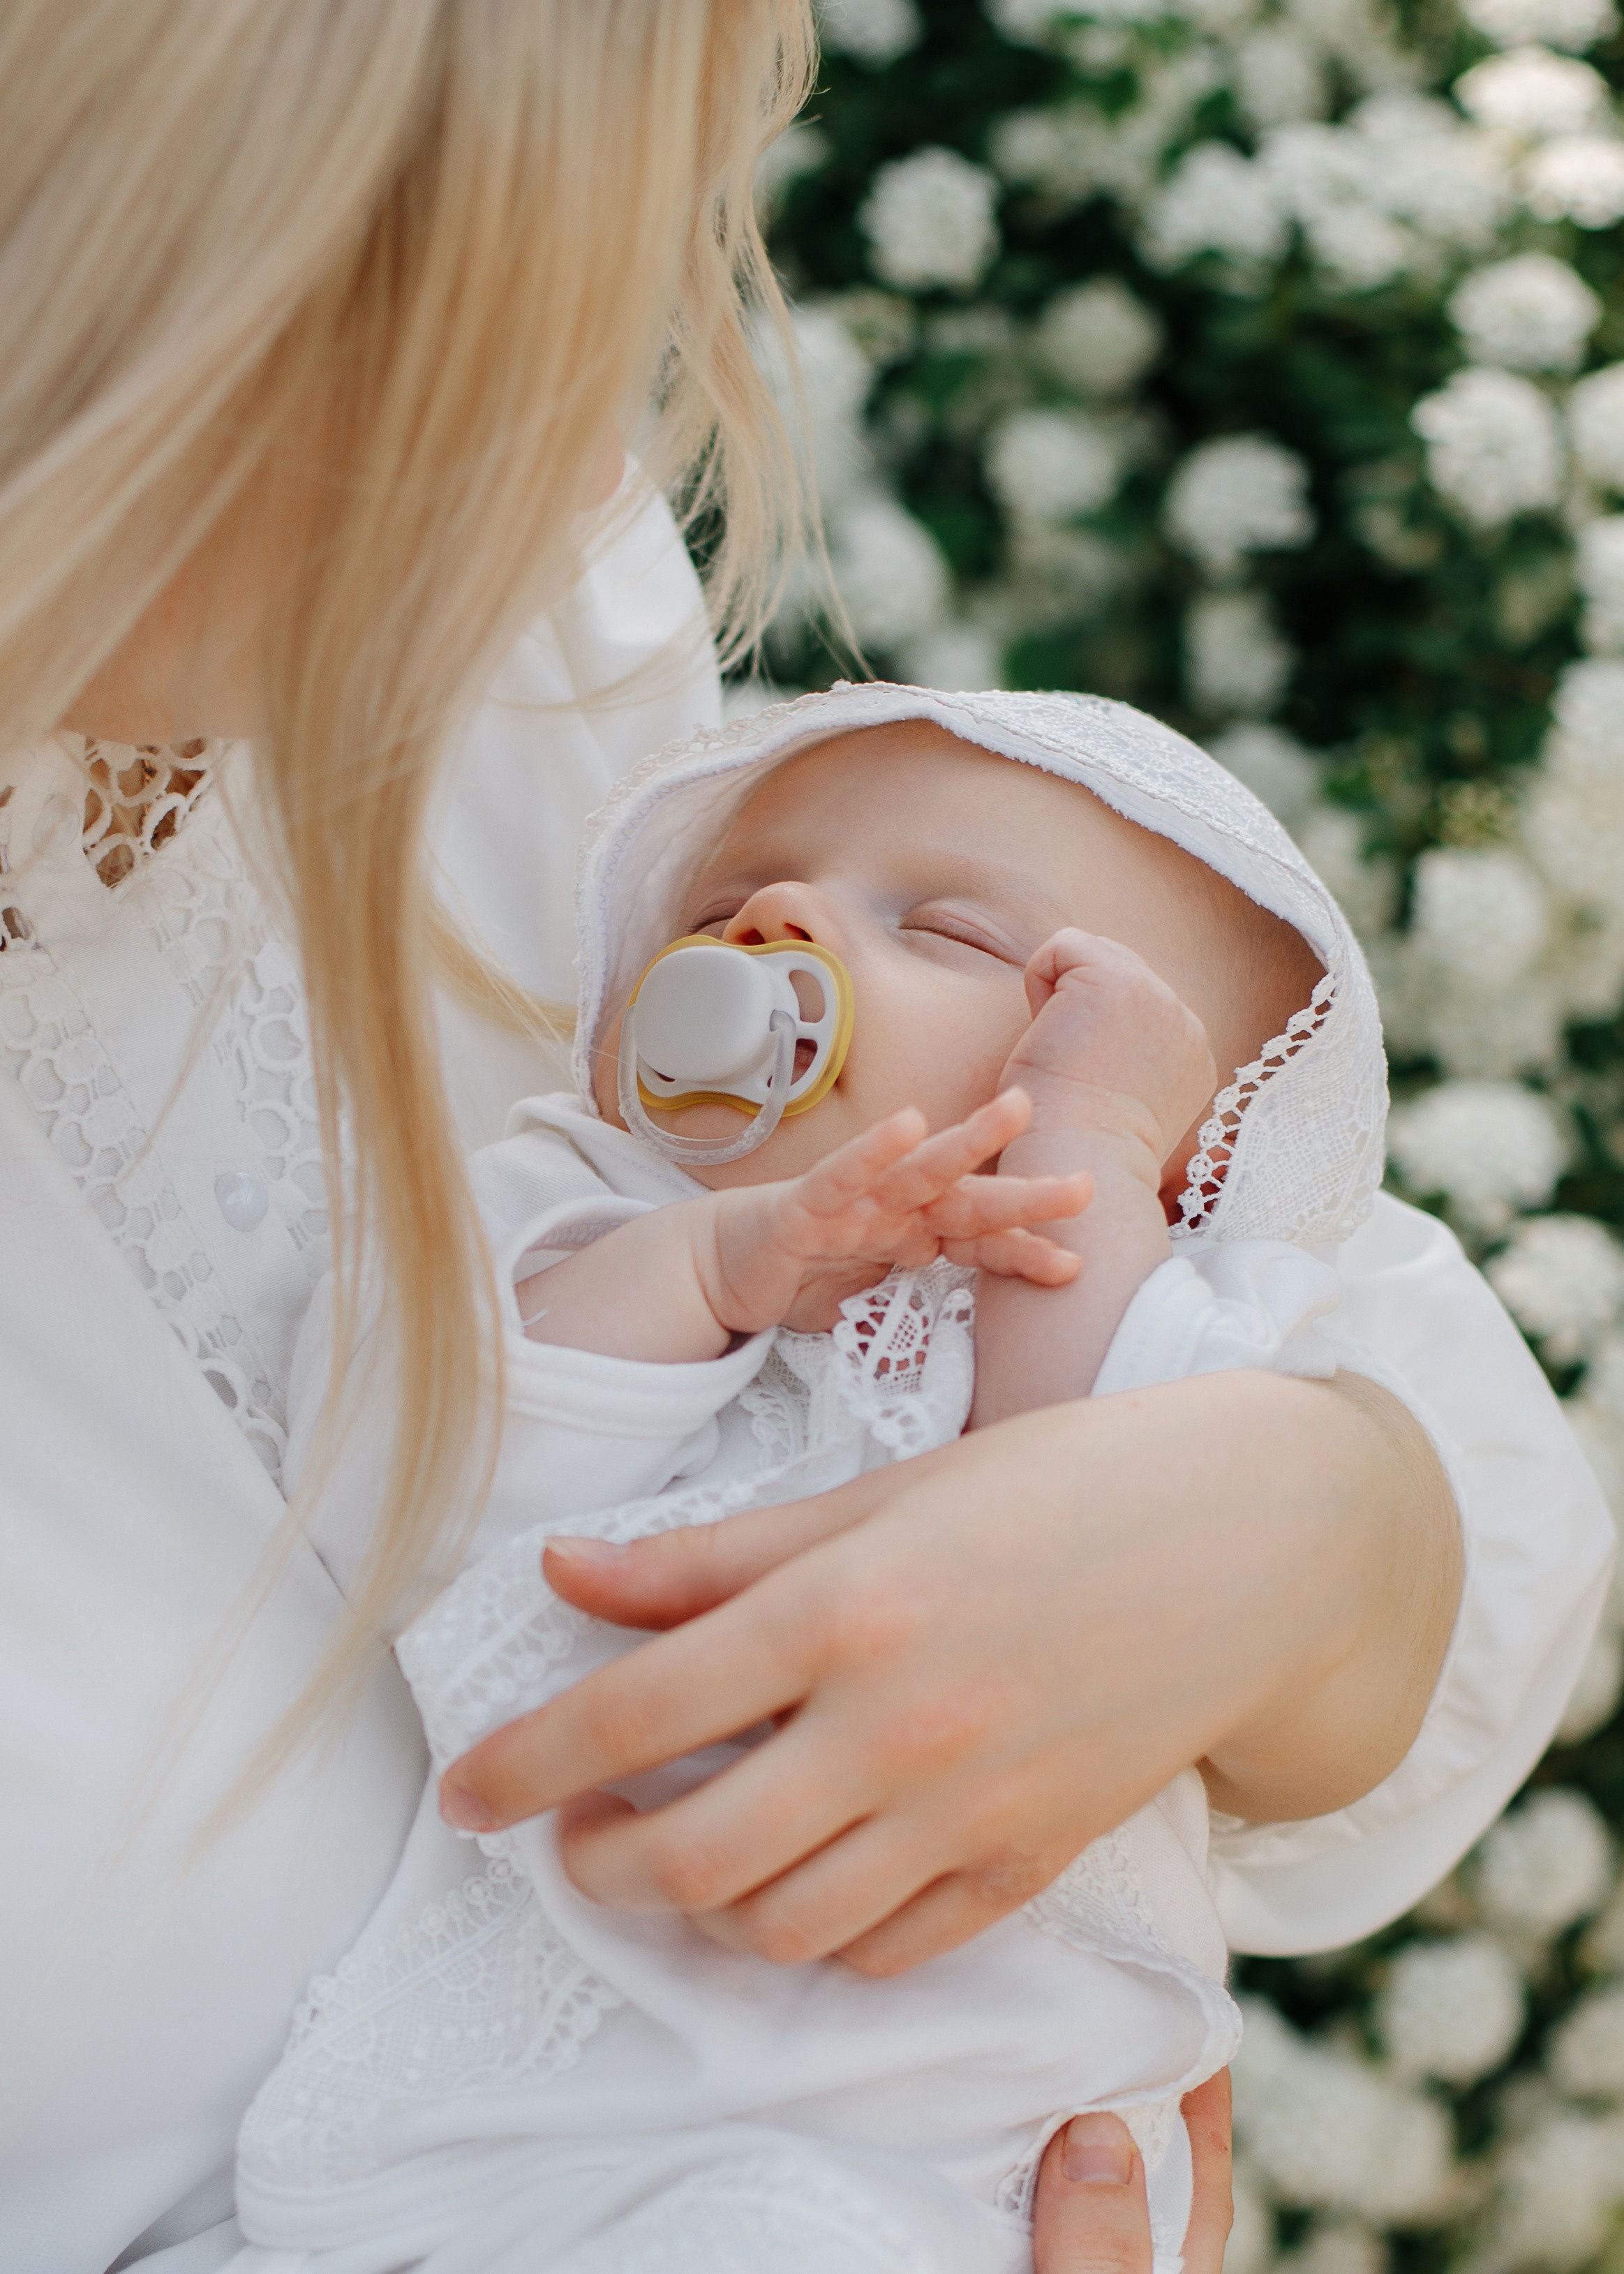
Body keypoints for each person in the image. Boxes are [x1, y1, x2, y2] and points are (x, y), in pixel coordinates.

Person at [0, 8, 1608, 2271]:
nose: (565, 456)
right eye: (447, 341)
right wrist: (735, 1271)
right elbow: (518, 1386)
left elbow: (1333, 1390)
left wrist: (1305, 1521)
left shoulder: (505, 637)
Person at [230, 687, 1391, 2273]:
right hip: (569, 2131)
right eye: (721, 904)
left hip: (984, 2144)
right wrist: (706, 1267)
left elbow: (1107, 1494)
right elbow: (401, 1475)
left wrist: (1081, 1155)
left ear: (1183, 1146)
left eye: (952, 932)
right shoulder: (571, 1211)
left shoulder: (1177, 1313)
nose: (777, 913)